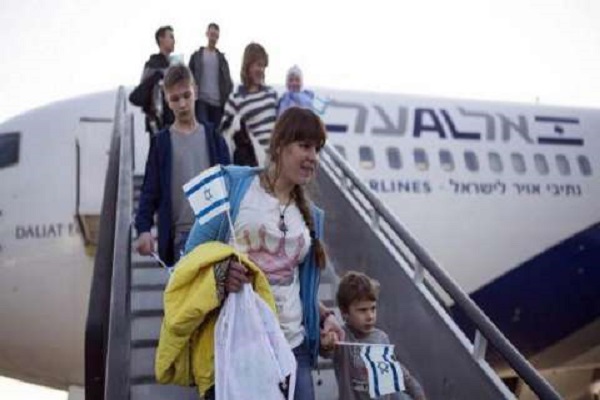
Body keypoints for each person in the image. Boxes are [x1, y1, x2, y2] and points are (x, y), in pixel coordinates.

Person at [184, 107, 344, 400]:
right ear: (280, 145)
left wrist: (324, 317)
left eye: (317, 149)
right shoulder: (234, 186)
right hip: (237, 345)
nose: (313, 157)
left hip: (293, 348)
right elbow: (189, 259)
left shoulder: (312, 216)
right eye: (305, 146)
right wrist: (220, 276)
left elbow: (290, 285)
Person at [135, 64, 230, 267]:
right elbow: (149, 190)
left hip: (216, 235)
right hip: (181, 238)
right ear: (167, 100)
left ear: (195, 91)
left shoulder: (214, 139)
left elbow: (231, 185)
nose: (183, 104)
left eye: (186, 95)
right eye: (175, 98)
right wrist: (143, 229)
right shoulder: (161, 143)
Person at [324, 271, 426, 400]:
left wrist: (415, 390)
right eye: (362, 310)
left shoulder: (381, 337)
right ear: (345, 312)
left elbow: (394, 368)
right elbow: (326, 350)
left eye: (373, 308)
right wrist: (327, 343)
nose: (370, 316)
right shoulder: (341, 337)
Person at [220, 42, 278, 167]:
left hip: (276, 160)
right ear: (247, 66)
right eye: (258, 65)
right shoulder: (236, 98)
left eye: (263, 66)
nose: (261, 70)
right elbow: (225, 133)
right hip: (253, 164)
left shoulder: (272, 93)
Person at [129, 25, 176, 138]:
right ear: (161, 39)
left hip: (172, 119)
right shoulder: (153, 64)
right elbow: (144, 91)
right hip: (158, 120)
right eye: (170, 37)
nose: (174, 41)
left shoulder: (173, 65)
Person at [188, 22, 233, 127]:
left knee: (216, 131)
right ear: (207, 34)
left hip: (218, 102)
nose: (213, 38)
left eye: (216, 35)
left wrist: (228, 99)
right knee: (204, 128)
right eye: (212, 34)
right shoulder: (197, 56)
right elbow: (188, 76)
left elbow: (228, 81)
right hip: (201, 100)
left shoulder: (222, 59)